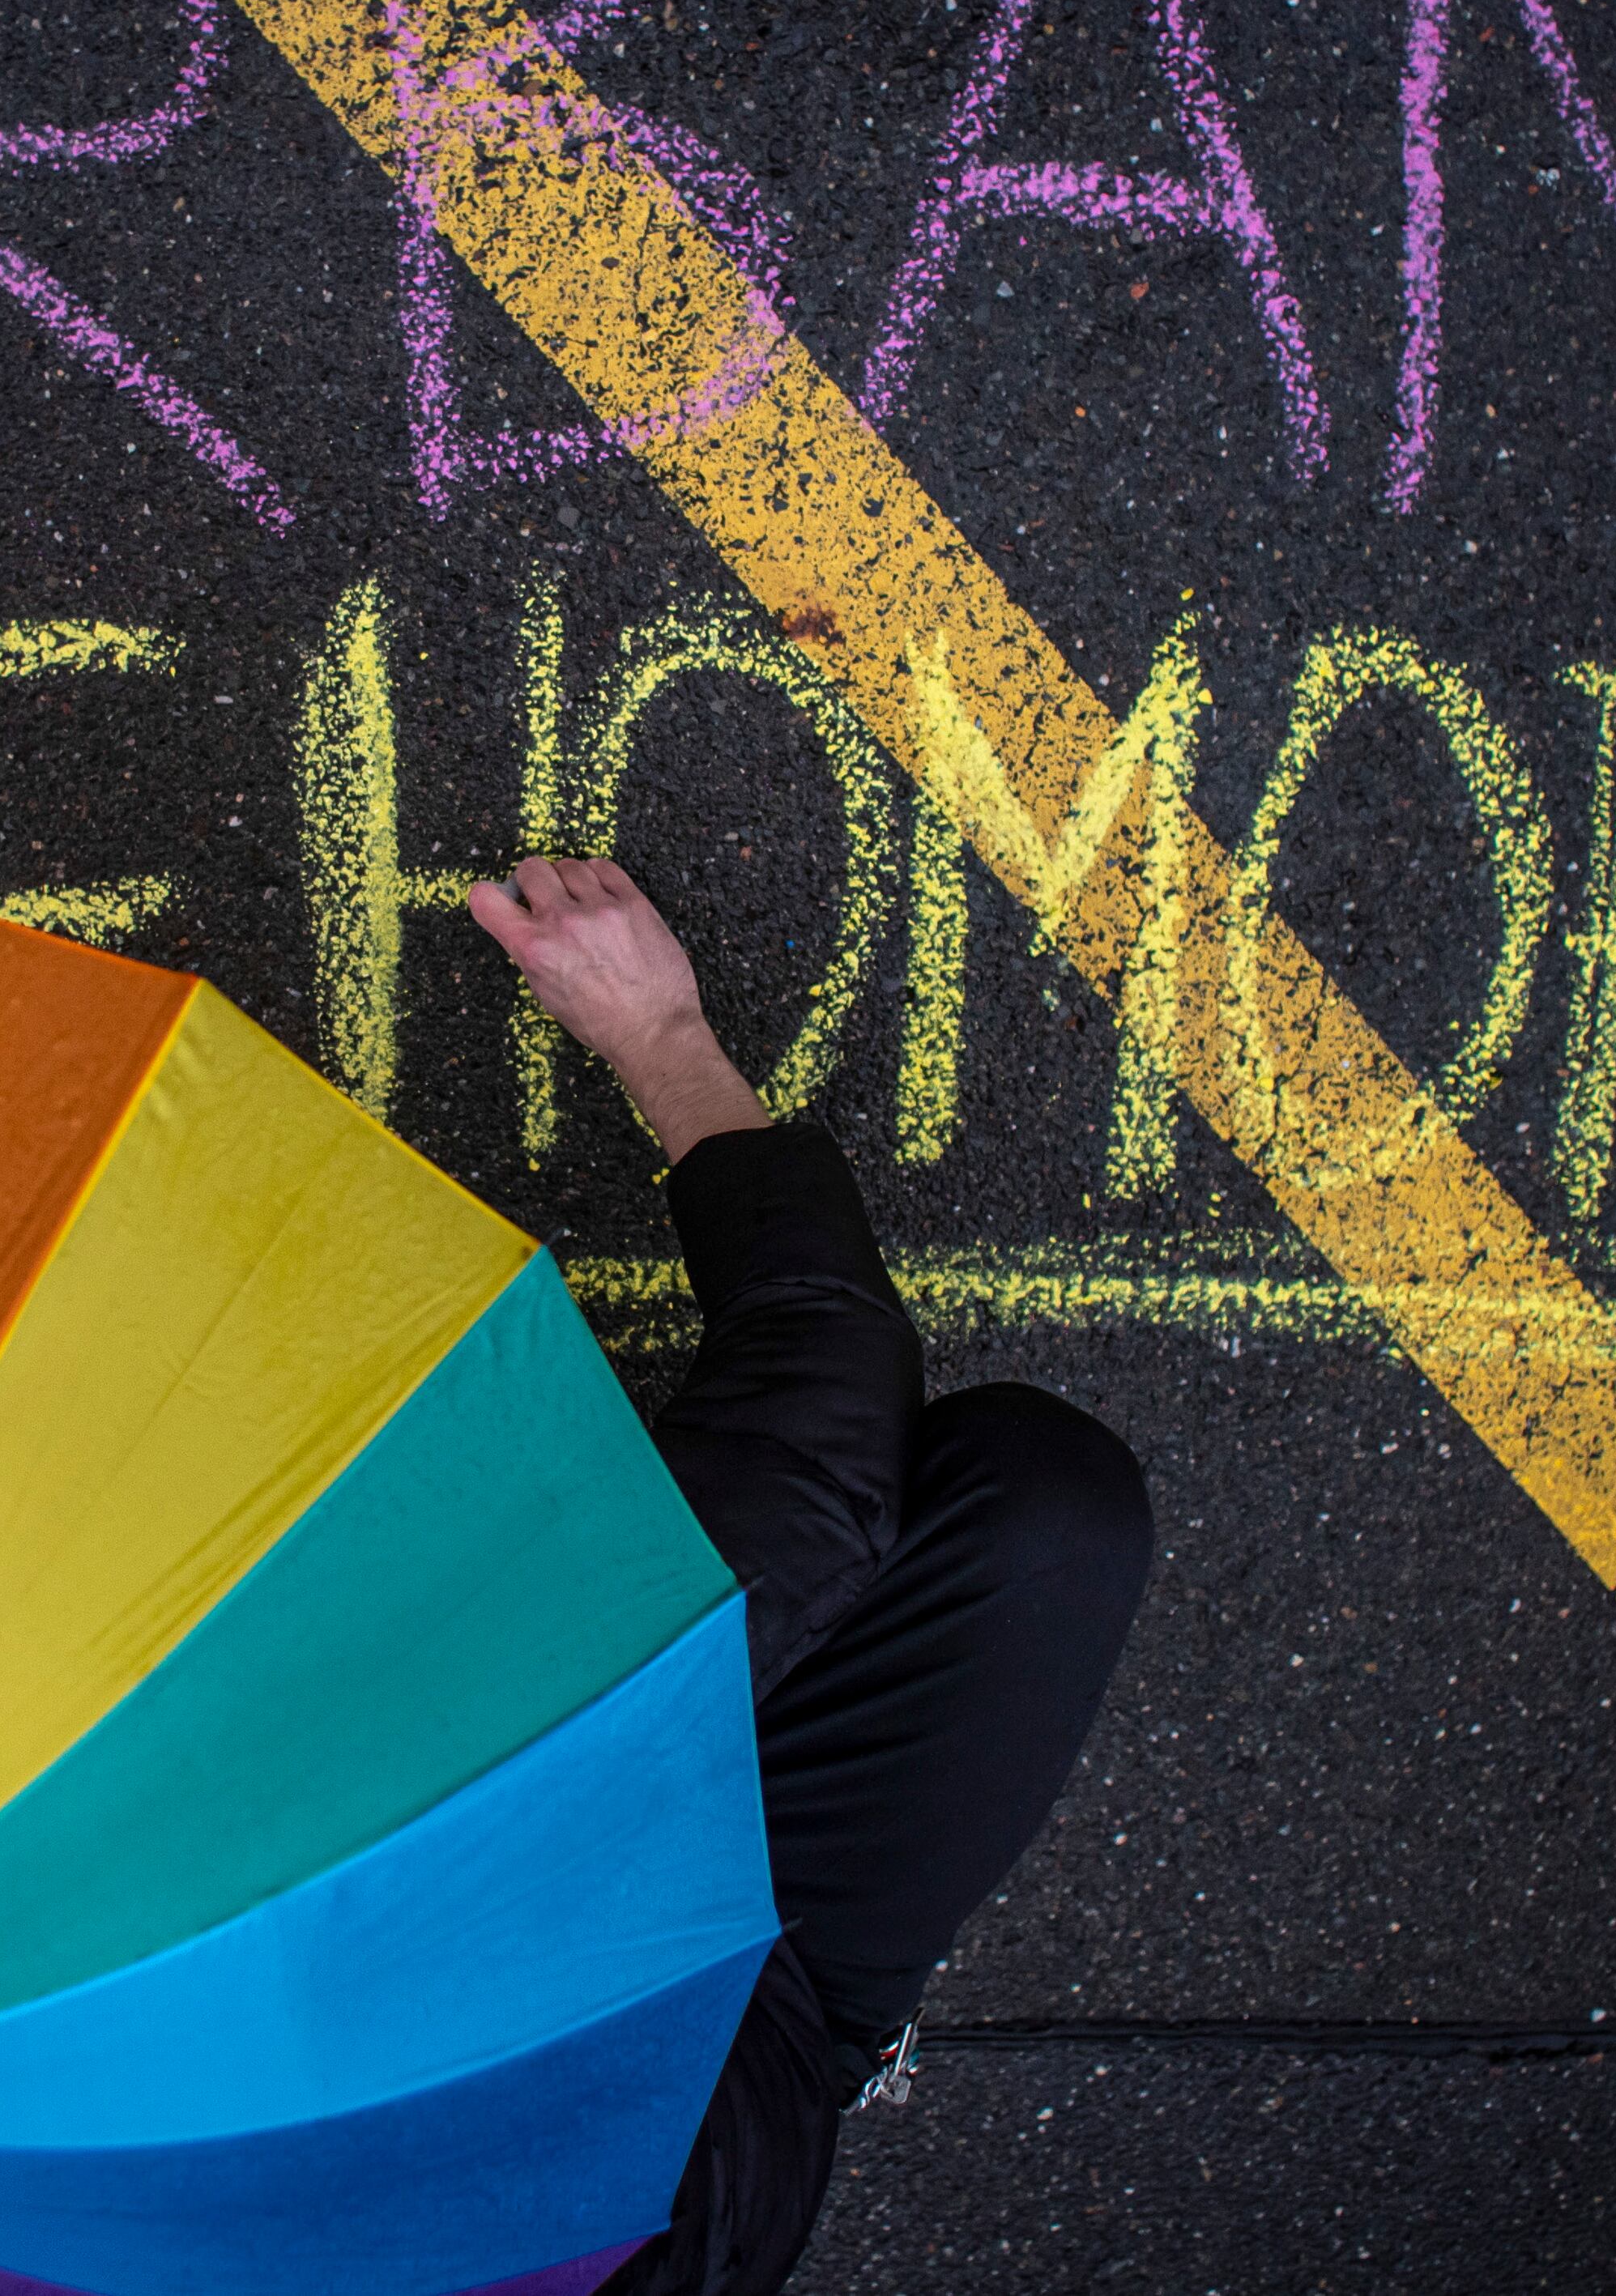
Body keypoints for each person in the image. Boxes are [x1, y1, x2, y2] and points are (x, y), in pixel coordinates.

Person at [467, 855, 1156, 2296]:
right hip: (721, 2019)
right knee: (1041, 1513)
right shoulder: (409, 1836)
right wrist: (665, 1041)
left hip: (644, 2052)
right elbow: (817, 1441)